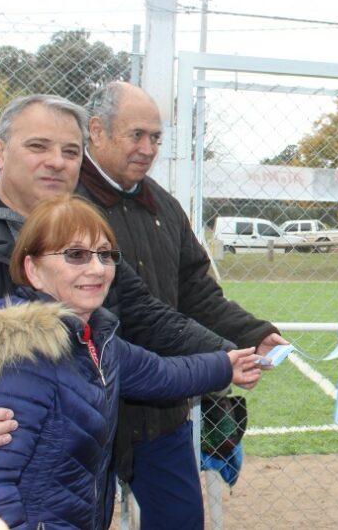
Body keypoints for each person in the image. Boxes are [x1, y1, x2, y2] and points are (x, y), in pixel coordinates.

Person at [0, 94, 240, 465]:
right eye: (38, 146)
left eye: (70, 152)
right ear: (0, 152)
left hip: (71, 476)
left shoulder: (84, 242)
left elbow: (145, 315)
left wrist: (230, 353)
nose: (56, 162)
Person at [0, 194, 261, 529]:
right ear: (33, 269)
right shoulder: (18, 357)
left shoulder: (91, 339)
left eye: (106, 255)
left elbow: (162, 374)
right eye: (75, 255)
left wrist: (226, 365)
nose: (97, 268)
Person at [80, 81, 286, 528]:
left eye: (156, 137)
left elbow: (196, 290)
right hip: (88, 405)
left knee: (180, 520)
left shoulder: (163, 206)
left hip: (163, 404)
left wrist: (253, 334)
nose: (148, 147)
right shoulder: (68, 207)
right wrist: (220, 356)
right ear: (96, 130)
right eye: (136, 134)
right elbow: (134, 312)